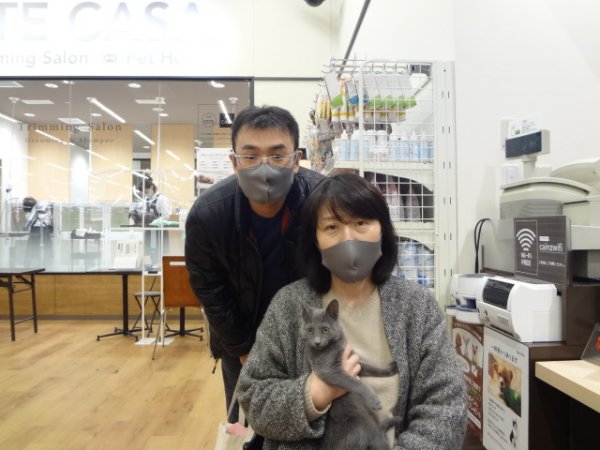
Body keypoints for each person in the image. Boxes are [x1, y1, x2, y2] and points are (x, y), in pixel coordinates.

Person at [237, 173, 467, 449]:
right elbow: (253, 396)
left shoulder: (416, 306)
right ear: (315, 239)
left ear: (382, 230)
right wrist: (314, 393)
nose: (348, 238)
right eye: (332, 227)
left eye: (361, 223)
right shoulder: (289, 305)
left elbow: (446, 406)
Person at [185, 105, 325, 422]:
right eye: (250, 156)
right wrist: (243, 348)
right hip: (241, 335)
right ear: (234, 162)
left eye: (277, 155)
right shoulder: (208, 214)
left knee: (313, 423)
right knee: (249, 425)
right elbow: (210, 289)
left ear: (296, 160)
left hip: (311, 338)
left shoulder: (322, 201)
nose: (264, 167)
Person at [129, 172, 172, 265]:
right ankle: (151, 268)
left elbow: (166, 216)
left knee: (160, 255)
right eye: (143, 193)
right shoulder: (146, 200)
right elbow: (144, 212)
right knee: (149, 254)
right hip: (149, 231)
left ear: (151, 187)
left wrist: (155, 221)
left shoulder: (162, 199)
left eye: (146, 192)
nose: (145, 194)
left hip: (159, 232)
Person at [22, 196, 54, 267]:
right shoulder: (45, 211)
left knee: (33, 249)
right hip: (43, 231)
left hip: (37, 232)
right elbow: (49, 220)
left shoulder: (30, 213)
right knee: (42, 250)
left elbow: (26, 226)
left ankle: (41, 265)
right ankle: (41, 265)